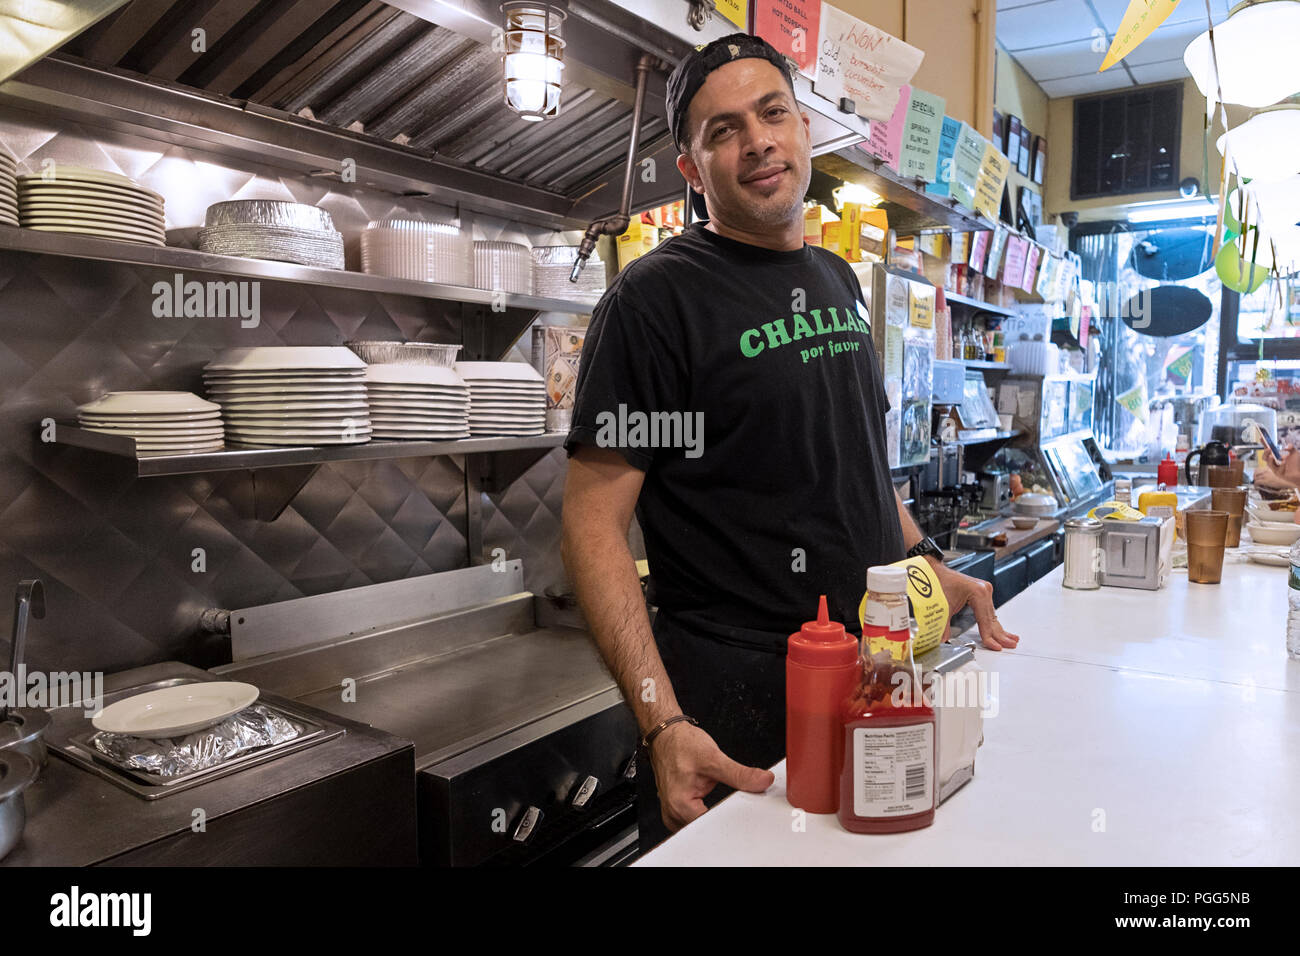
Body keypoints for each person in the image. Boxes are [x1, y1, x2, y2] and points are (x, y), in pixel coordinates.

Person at [560, 34, 1020, 856]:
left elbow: (857, 469)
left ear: (804, 128)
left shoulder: (839, 281)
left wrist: (925, 566)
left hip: (869, 673)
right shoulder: (653, 302)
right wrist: (663, 721)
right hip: (734, 703)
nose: (758, 140)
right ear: (694, 170)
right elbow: (592, 528)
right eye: (723, 130)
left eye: (773, 113)